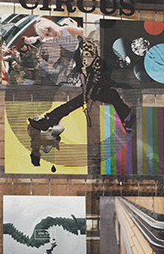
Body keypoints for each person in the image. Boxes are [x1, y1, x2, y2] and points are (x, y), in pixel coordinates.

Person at [21, 17, 135, 166]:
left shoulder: (65, 30)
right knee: (106, 95)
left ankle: (47, 121)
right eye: (47, 34)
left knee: (91, 96)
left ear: (52, 24)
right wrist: (33, 39)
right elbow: (41, 37)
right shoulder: (53, 37)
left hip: (89, 61)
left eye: (49, 30)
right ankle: (126, 117)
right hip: (84, 64)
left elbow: (86, 34)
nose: (51, 34)